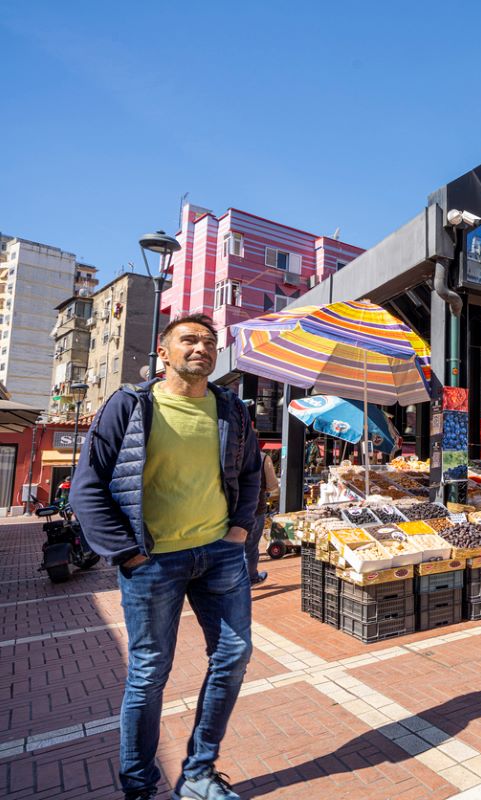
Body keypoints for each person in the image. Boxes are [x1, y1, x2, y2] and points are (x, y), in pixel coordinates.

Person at [70, 314, 261, 800]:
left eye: (211, 341)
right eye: (190, 339)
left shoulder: (232, 410)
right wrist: (126, 553)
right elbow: (87, 487)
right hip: (152, 562)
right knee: (150, 672)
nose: (202, 347)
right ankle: (139, 786)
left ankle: (198, 773)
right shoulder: (131, 405)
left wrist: (240, 530)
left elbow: (252, 474)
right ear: (163, 351)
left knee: (234, 656)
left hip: (220, 555)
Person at [246, 448, 279, 585]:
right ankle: (250, 577)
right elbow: (272, 486)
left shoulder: (229, 453)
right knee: (251, 547)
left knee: (232, 547)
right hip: (255, 507)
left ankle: (232, 580)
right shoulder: (263, 458)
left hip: (230, 507)